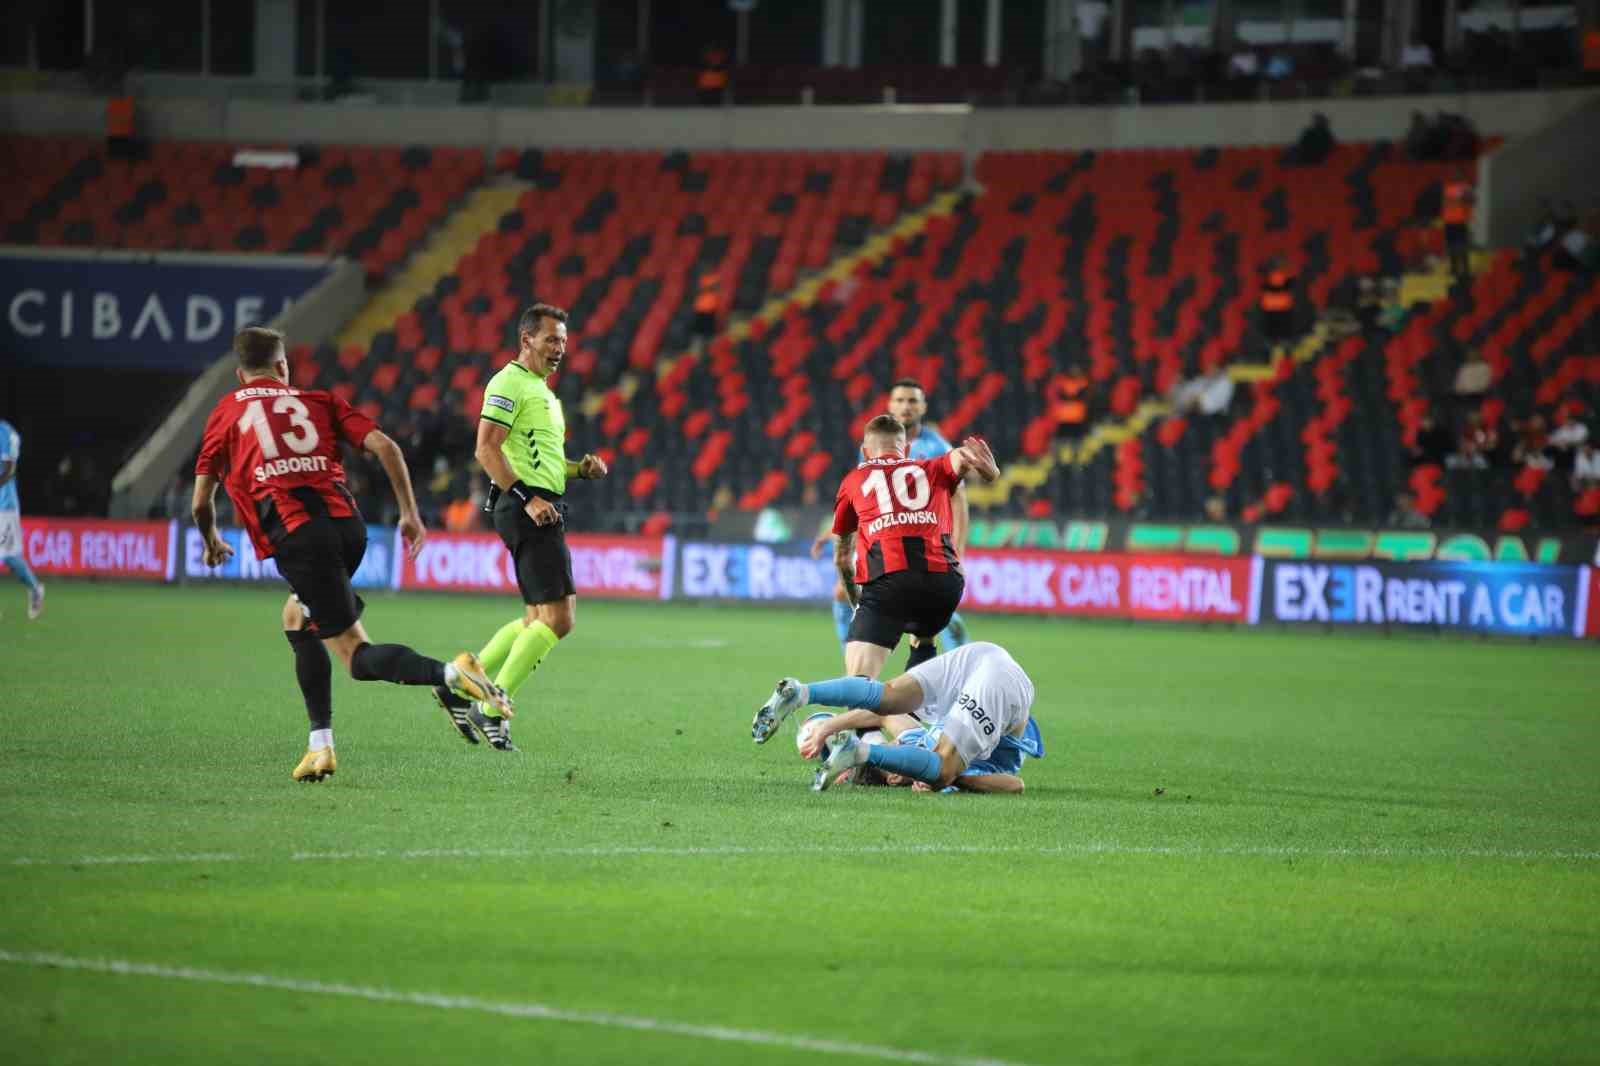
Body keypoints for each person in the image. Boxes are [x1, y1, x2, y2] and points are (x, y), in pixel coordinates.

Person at [192, 327, 510, 783]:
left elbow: (202, 502)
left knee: (357, 658)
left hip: (301, 538)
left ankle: (452, 673)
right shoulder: (319, 401)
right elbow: (386, 446)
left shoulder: (226, 411)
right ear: (284, 368)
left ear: (241, 375)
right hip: (349, 529)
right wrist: (409, 514)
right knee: (297, 618)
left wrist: (210, 541)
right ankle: (320, 745)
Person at [434, 303, 609, 752]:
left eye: (564, 342)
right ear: (526, 339)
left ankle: (460, 683)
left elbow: (542, 461)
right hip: (528, 507)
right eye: (551, 340)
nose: (560, 349)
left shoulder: (544, 393)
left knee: (536, 618)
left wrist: (578, 470)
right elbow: (486, 449)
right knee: (560, 618)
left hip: (539, 502)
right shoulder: (508, 382)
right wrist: (526, 498)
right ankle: (491, 706)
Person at [769, 416, 998, 741]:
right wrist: (991, 471)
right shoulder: (929, 467)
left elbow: (842, 558)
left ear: (865, 450)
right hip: (944, 585)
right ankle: (916, 736)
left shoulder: (853, 480)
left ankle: (861, 746)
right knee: (923, 640)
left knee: (861, 684)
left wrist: (857, 603)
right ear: (905, 447)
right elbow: (963, 457)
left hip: (890, 584)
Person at [814, 379, 980, 661]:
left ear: (923, 407)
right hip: (883, 536)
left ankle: (961, 665)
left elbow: (958, 500)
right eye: (900, 400)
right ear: (890, 405)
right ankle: (852, 658)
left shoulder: (937, 447)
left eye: (913, 401)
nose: (906, 406)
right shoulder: (875, 443)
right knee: (843, 592)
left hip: (925, 540)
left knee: (933, 611)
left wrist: (958, 550)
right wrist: (834, 533)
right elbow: (861, 497)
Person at [753, 641, 1037, 793]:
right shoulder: (928, 750)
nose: (895, 745)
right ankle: (803, 692)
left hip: (990, 671)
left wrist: (832, 724)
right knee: (890, 697)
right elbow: (1014, 785)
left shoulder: (919, 745)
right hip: (992, 666)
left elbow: (886, 717)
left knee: (892, 702)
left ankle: (804, 695)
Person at [0, 420, 45, 621]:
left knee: (9, 557)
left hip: (4, 505)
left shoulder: (4, 432)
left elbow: (9, 470)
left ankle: (35, 589)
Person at [1441, 169, 1475, 280]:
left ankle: (1465, 269)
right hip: (1449, 222)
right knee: (1451, 246)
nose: (1455, 176)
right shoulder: (1447, 189)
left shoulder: (1466, 188)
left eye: (1458, 174)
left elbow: (1471, 200)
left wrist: (1464, 199)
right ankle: (1454, 268)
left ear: (1462, 176)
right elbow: (1445, 205)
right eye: (1454, 174)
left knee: (1462, 246)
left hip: (1460, 222)